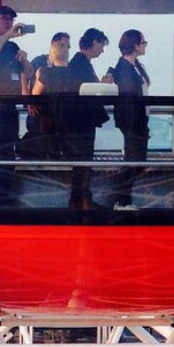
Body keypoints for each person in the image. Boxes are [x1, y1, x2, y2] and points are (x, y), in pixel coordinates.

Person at [0, 5, 32, 207]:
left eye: (11, 20)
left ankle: (6, 199)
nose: (8, 23)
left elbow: (27, 74)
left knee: (8, 153)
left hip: (9, 109)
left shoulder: (12, 48)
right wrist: (6, 36)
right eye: (4, 19)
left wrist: (25, 60)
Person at [66, 28, 112, 210]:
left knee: (83, 162)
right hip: (81, 122)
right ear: (93, 43)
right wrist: (101, 85)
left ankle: (80, 200)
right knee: (83, 161)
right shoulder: (80, 63)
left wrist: (99, 84)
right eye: (101, 44)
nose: (102, 49)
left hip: (80, 121)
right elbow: (82, 91)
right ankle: (79, 202)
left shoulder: (81, 63)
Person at [112, 29, 151, 210]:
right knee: (133, 161)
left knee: (136, 161)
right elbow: (129, 98)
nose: (144, 46)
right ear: (135, 45)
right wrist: (135, 123)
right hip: (133, 122)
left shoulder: (134, 66)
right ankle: (121, 200)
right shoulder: (125, 68)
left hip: (138, 121)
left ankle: (122, 198)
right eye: (143, 43)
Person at [21, 32, 71, 159]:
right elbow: (24, 76)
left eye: (67, 46)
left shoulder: (66, 67)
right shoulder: (40, 62)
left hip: (55, 113)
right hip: (38, 111)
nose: (65, 48)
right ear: (54, 43)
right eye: (62, 44)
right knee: (39, 138)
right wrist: (29, 101)